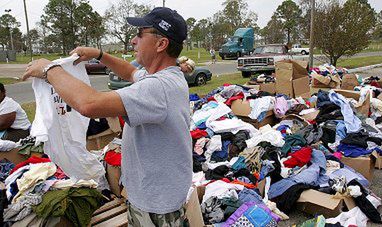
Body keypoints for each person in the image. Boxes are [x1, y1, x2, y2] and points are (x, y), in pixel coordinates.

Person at [23, 7, 192, 226]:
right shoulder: (164, 78)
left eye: (140, 34)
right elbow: (130, 72)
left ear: (161, 44)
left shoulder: (158, 87)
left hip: (155, 204)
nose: (133, 40)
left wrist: (50, 69)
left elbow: (89, 104)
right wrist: (99, 55)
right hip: (152, 195)